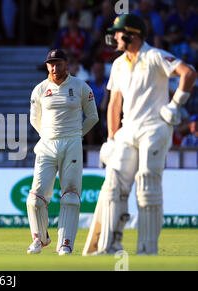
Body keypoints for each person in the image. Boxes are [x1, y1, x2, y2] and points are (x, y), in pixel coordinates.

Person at [85, 13, 196, 256]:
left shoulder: (154, 56)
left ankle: (147, 250)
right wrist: (112, 138)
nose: (114, 36)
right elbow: (114, 103)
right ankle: (110, 246)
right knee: (113, 185)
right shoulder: (117, 64)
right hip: (128, 130)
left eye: (118, 32)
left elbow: (188, 73)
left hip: (154, 127)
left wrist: (175, 105)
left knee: (147, 184)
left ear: (132, 34)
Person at [26, 49, 98, 255]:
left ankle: (65, 242)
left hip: (72, 144)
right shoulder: (39, 89)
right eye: (51, 64)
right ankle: (39, 239)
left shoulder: (81, 86)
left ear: (67, 64)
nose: (54, 68)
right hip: (47, 144)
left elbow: (93, 117)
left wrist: (76, 135)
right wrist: (48, 135)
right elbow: (34, 119)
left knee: (70, 196)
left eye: (58, 64)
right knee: (35, 198)